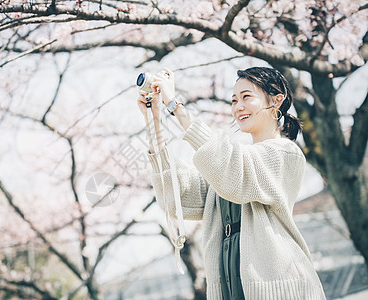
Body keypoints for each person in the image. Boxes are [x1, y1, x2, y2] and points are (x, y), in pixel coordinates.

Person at [136, 67, 326, 300]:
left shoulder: (286, 153)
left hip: (281, 289)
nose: (238, 107)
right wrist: (153, 118)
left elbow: (234, 168)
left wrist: (174, 105)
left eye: (247, 97)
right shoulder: (233, 166)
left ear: (277, 101)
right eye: (234, 100)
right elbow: (178, 198)